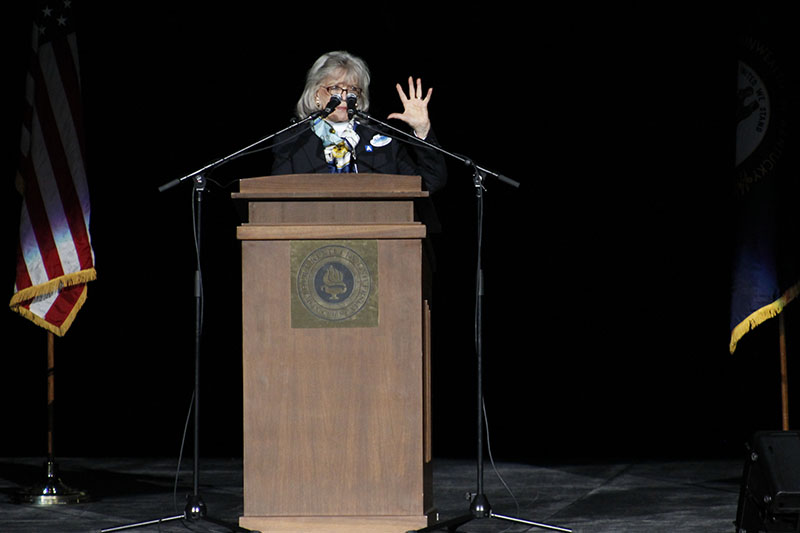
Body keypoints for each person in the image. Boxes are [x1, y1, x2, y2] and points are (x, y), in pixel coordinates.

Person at [271, 51, 447, 194]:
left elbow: (429, 183)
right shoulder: (292, 142)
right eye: (335, 88)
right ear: (316, 93)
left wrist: (423, 131)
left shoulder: (383, 140)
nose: (344, 97)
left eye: (353, 90)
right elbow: (275, 197)